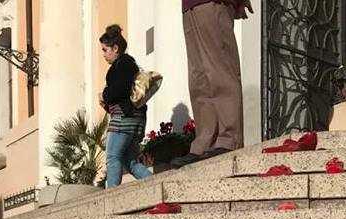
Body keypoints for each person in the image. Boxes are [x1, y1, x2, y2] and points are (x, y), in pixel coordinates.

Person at [171, 0, 253, 169]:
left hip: (214, 3)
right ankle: (204, 142)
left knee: (220, 70)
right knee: (199, 78)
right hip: (190, 6)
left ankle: (228, 139)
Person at [100, 24, 152, 188]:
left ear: (115, 48)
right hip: (134, 119)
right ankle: (156, 183)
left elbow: (119, 90)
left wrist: (104, 95)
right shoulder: (129, 64)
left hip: (123, 120)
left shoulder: (122, 64)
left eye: (105, 50)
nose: (103, 54)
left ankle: (112, 196)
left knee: (113, 157)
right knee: (131, 162)